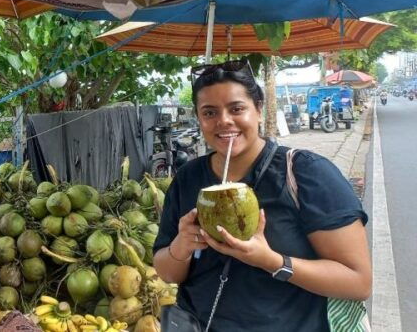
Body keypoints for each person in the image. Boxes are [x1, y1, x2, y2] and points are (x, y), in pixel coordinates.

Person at [152, 59, 371, 332]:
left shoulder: (307, 174)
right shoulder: (188, 178)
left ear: (258, 110)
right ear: (198, 118)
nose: (224, 121)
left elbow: (358, 282)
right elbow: (168, 273)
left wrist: (271, 261)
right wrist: (180, 247)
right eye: (209, 112)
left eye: (236, 108)